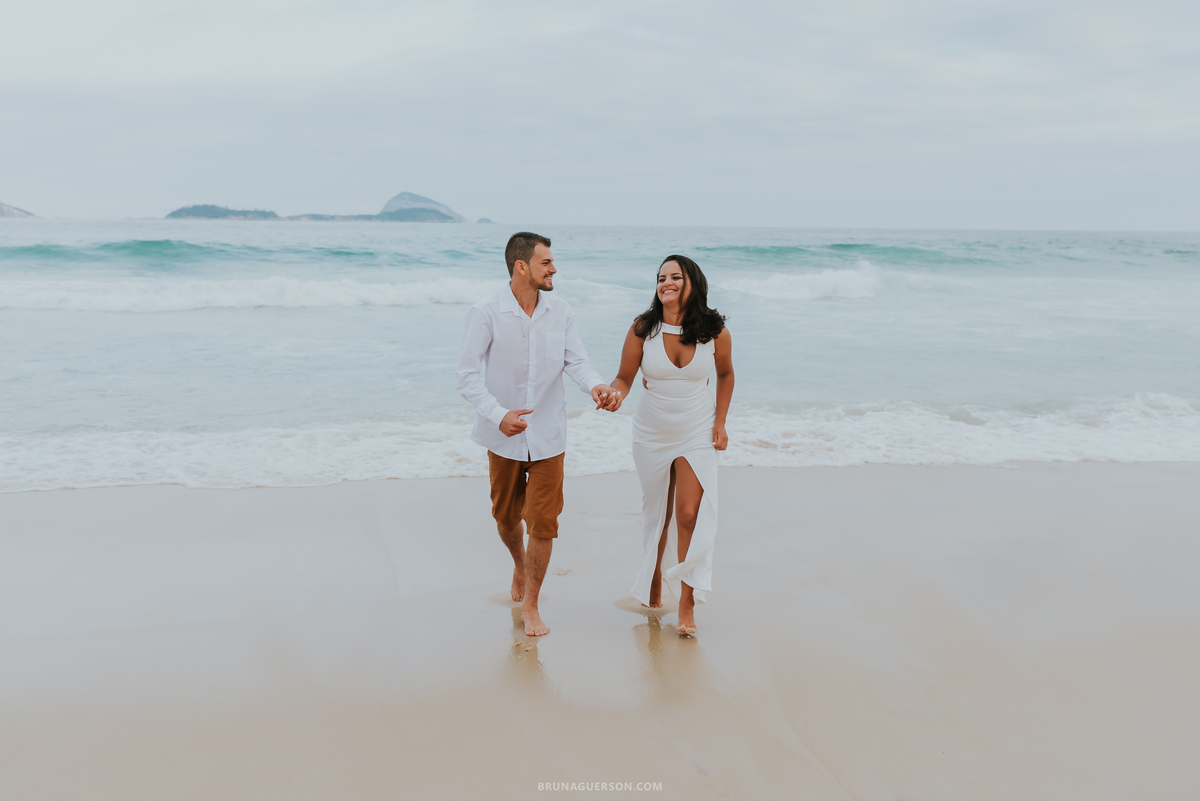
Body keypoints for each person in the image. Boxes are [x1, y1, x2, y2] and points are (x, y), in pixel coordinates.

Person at [457, 232, 617, 637]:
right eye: (546, 262)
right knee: (506, 518)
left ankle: (532, 603)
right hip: (504, 436)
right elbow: (466, 378)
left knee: (543, 523)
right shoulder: (485, 312)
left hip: (549, 435)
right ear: (521, 266)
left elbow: (576, 361)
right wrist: (498, 415)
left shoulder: (560, 311)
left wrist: (595, 385)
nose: (554, 269)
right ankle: (518, 563)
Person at [603, 255, 734, 635]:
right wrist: (614, 394)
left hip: (696, 431)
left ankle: (688, 603)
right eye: (662, 277)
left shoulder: (715, 332)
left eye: (676, 276)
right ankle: (654, 577)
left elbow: (725, 375)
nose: (667, 283)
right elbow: (625, 377)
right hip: (651, 432)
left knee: (689, 515)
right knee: (657, 515)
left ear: (693, 282)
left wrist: (720, 422)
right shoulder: (644, 327)